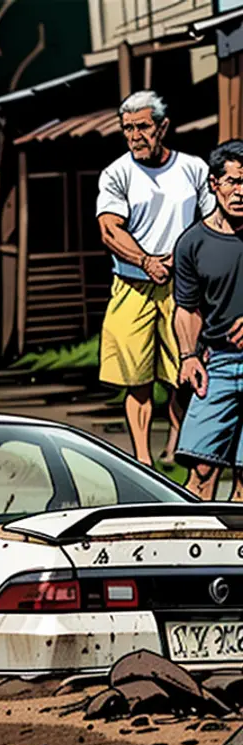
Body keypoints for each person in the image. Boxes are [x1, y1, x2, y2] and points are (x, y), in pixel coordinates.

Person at [97, 90, 215, 467]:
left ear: (162, 127)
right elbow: (109, 229)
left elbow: (213, 222)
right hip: (132, 285)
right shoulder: (117, 173)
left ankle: (181, 450)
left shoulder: (192, 168)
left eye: (143, 127)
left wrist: (190, 264)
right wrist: (145, 260)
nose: (135, 136)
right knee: (137, 377)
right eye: (128, 128)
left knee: (184, 372)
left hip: (183, 286)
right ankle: (143, 459)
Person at [172, 139, 243, 500]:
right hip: (219, 362)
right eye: (232, 182)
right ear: (214, 184)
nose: (241, 192)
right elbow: (187, 308)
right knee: (200, 470)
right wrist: (189, 356)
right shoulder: (192, 243)